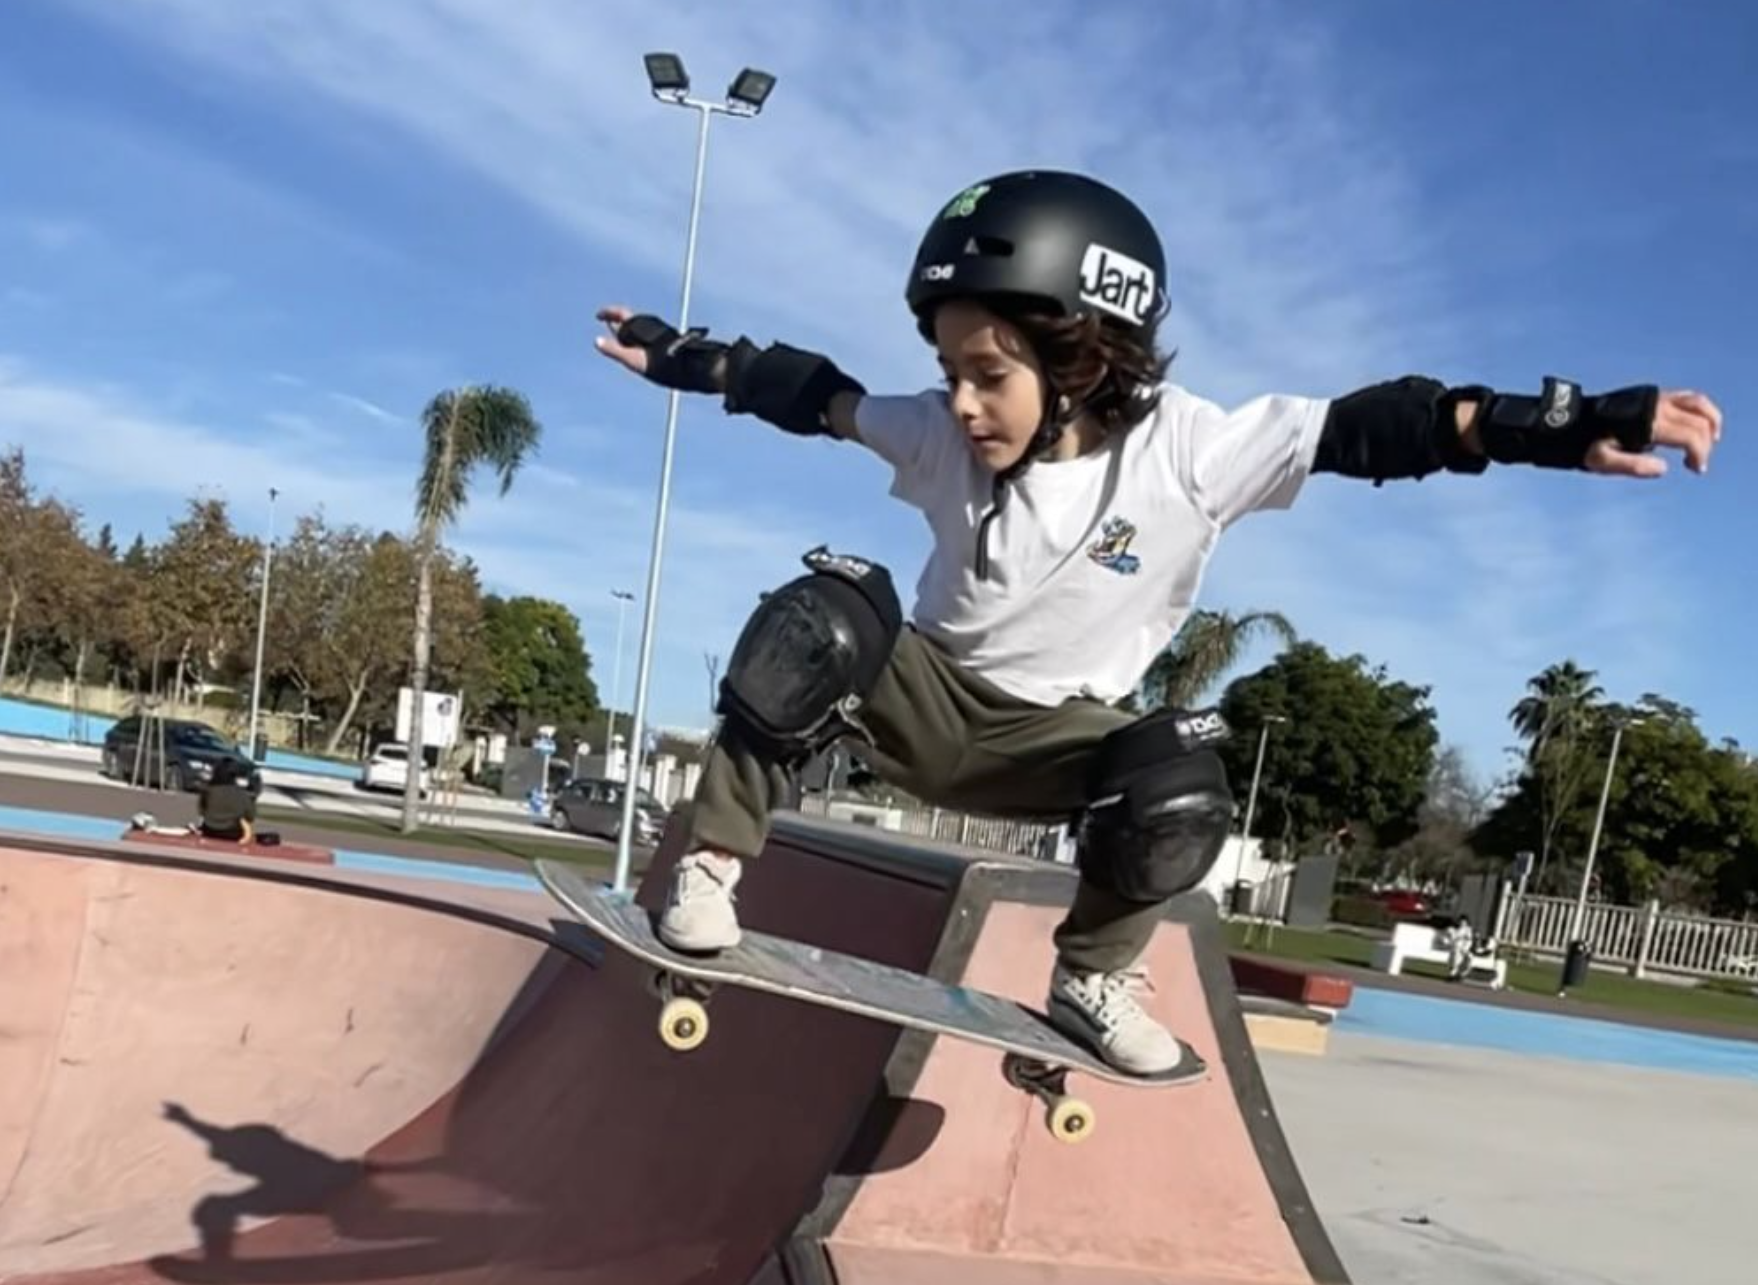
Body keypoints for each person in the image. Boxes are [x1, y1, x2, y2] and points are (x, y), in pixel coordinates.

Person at [592, 168, 1721, 1076]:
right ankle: (713, 868)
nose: (963, 403)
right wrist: (682, 354)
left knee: (1179, 769)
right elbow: (807, 391)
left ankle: (1090, 974)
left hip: (1059, 748)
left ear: (1083, 355)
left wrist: (1557, 426)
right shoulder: (937, 431)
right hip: (917, 702)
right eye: (948, 372)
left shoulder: (1191, 450)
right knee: (819, 617)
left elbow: (1388, 428)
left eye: (989, 372)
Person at [194, 755, 260, 846]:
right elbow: (250, 816)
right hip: (232, 833)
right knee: (244, 823)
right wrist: (253, 798)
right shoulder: (241, 794)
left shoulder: (207, 790)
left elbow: (201, 811)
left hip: (209, 830)